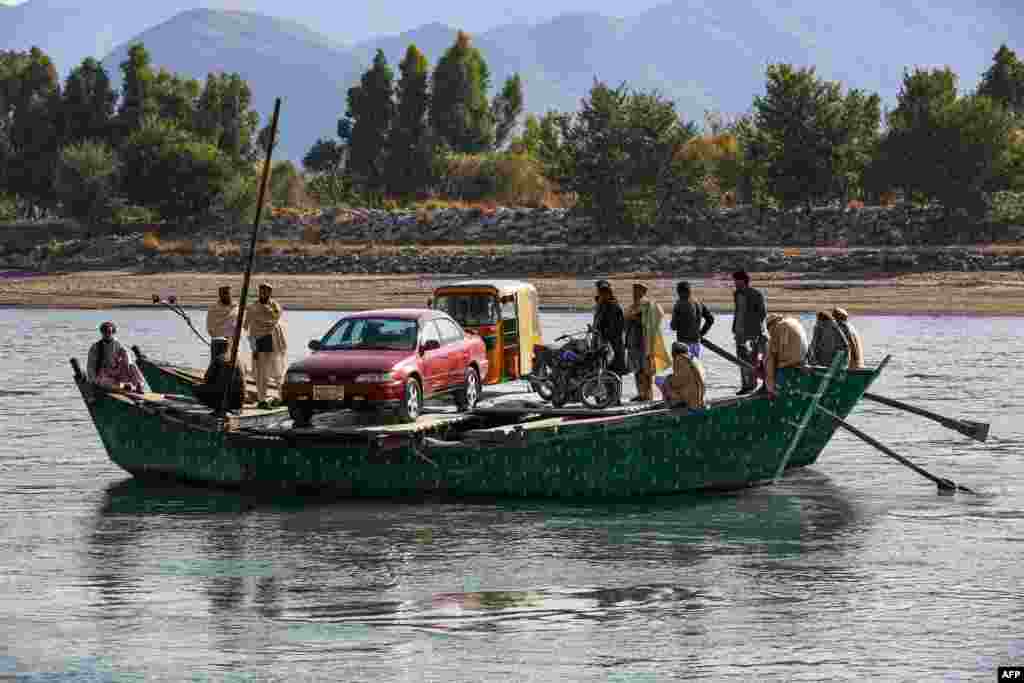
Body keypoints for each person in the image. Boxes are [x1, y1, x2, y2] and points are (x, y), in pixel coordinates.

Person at [244, 282, 288, 409]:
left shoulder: (275, 307)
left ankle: (281, 397)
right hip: (260, 343)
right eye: (262, 291)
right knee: (261, 373)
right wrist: (254, 348)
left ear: (270, 292)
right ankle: (262, 400)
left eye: (267, 291)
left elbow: (275, 319)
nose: (264, 293)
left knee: (278, 372)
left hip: (275, 343)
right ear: (259, 292)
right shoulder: (253, 308)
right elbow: (248, 329)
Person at [624, 283, 670, 402]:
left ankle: (648, 394)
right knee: (637, 370)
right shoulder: (632, 306)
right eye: (633, 291)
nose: (634, 293)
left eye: (637, 291)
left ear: (643, 292)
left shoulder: (649, 305)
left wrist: (638, 318)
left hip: (644, 342)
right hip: (632, 342)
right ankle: (641, 393)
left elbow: (658, 316)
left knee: (646, 370)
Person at [732, 270, 767, 395]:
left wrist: (756, 331)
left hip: (752, 334)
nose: (734, 283)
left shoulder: (756, 294)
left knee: (752, 360)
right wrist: (735, 328)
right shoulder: (736, 294)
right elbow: (737, 312)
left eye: (736, 280)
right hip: (739, 333)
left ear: (743, 281)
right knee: (741, 360)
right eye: (734, 280)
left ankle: (752, 385)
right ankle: (745, 385)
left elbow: (762, 314)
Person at [86, 321, 147, 393]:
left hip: (117, 371)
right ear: (102, 332)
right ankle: (123, 387)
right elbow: (90, 365)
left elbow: (127, 357)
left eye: (109, 332)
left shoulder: (118, 344)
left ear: (113, 332)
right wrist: (93, 381)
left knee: (132, 366)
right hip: (104, 373)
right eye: (105, 332)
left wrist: (127, 366)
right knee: (104, 383)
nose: (108, 334)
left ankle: (138, 384)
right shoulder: (96, 347)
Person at [193, 337, 246, 411]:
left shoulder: (218, 359)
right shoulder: (239, 360)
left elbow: (207, 379)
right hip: (238, 403)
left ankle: (215, 407)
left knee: (196, 387)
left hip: (223, 401)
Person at [763, 313, 809, 397]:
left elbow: (772, 356)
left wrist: (769, 379)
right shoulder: (793, 321)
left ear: (771, 325)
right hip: (803, 362)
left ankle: (775, 393)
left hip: (789, 365)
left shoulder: (778, 327)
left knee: (771, 360)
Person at [670, 281, 715, 359]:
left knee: (683, 370)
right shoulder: (698, 303)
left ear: (680, 292)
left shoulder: (680, 304)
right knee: (694, 368)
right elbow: (710, 319)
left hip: (683, 345)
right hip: (696, 343)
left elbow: (673, 326)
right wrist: (701, 333)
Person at [656, 342, 706, 409]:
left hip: (692, 398)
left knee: (666, 381)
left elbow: (678, 381)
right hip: (700, 395)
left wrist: (668, 381)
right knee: (668, 380)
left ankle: (676, 403)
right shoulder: (693, 358)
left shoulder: (679, 359)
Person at [592, 280, 627, 374]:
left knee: (613, 375)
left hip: (612, 348)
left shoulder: (614, 307)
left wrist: (602, 335)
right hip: (601, 346)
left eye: (605, 292)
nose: (603, 295)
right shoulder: (600, 305)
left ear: (609, 293)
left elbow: (617, 329)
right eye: (601, 292)